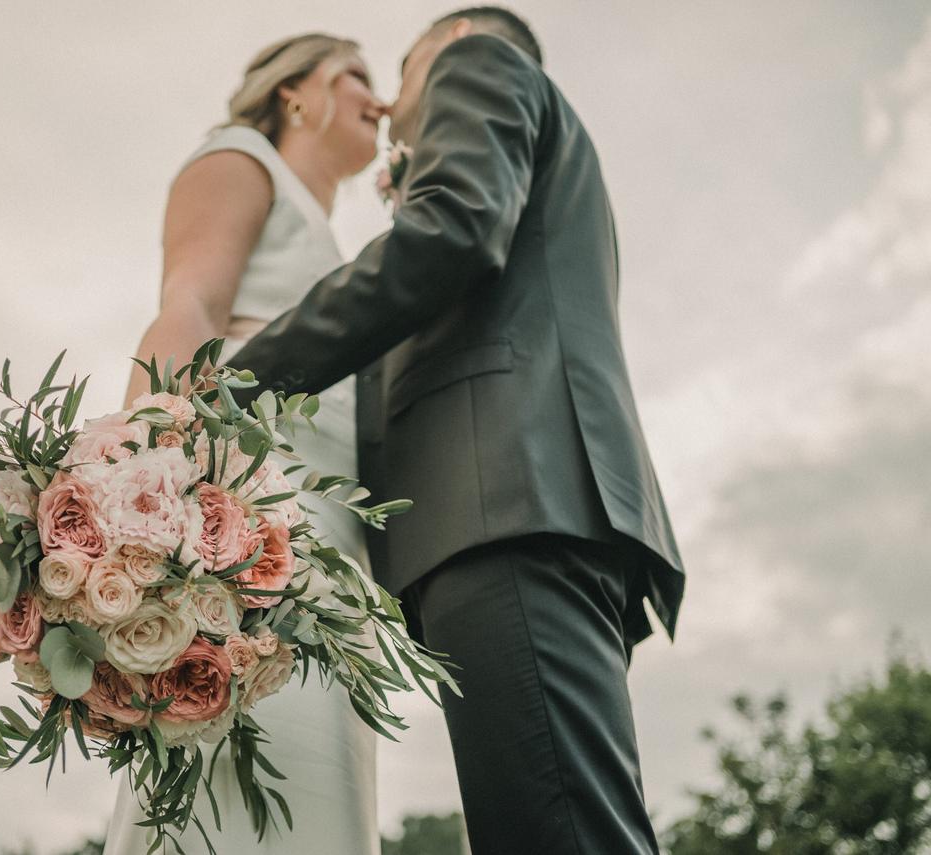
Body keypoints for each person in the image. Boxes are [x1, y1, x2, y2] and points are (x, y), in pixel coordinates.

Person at [226, 8, 687, 854]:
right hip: (516, 503)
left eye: (400, 75)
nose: (396, 102)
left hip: (507, 500)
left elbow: (451, 233)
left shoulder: (475, 61)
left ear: (448, 46)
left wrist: (240, 381)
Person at [104, 32, 388, 855]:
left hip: (337, 549)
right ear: (296, 93)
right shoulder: (237, 158)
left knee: (321, 786)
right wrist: (133, 492)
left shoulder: (332, 243)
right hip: (243, 517)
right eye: (357, 77)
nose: (381, 99)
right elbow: (189, 308)